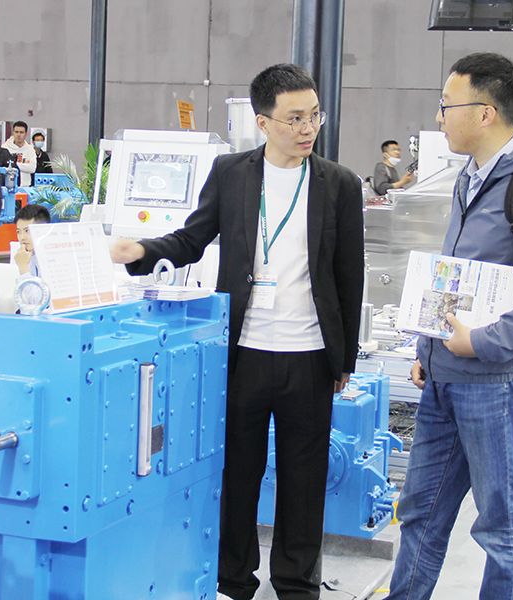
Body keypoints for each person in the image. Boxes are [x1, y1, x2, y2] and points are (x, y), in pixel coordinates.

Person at [110, 63, 364, 600]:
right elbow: (192, 238)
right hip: (242, 352)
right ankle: (232, 581)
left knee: (304, 478)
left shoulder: (339, 183)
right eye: (294, 118)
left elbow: (350, 275)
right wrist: (142, 252)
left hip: (309, 355)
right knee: (237, 474)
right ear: (263, 122)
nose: (307, 128)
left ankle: (296, 584)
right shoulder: (231, 173)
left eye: (314, 116)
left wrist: (345, 359)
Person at [385, 53, 513, 600]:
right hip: (446, 377)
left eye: (447, 105)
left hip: (499, 383)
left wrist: (482, 342)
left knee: (502, 526)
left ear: (486, 112)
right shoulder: (469, 177)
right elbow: (459, 276)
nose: (440, 116)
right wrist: (429, 349)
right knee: (421, 513)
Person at [13, 203, 51, 277]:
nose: (22, 237)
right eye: (18, 231)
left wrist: (23, 267)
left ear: (43, 230)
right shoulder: (21, 254)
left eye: (27, 230)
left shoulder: (54, 259)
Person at [2, 121, 38, 186]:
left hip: (26, 186)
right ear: (13, 133)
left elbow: (32, 168)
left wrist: (14, 165)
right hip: (8, 185)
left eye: (21, 132)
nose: (18, 135)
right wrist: (24, 165)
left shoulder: (30, 149)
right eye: (16, 132)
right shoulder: (5, 148)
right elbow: (3, 167)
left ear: (26, 134)